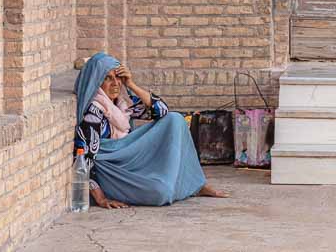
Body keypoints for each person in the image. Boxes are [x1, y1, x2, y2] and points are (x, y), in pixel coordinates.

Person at [73, 52, 228, 208]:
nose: (115, 83)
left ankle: (195, 184)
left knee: (175, 120)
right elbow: (84, 157)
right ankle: (183, 187)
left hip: (131, 164)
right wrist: (101, 199)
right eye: (107, 78)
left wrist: (131, 84)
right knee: (161, 193)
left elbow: (162, 111)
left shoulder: (122, 105)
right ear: (96, 82)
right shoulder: (94, 112)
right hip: (113, 176)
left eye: (118, 77)